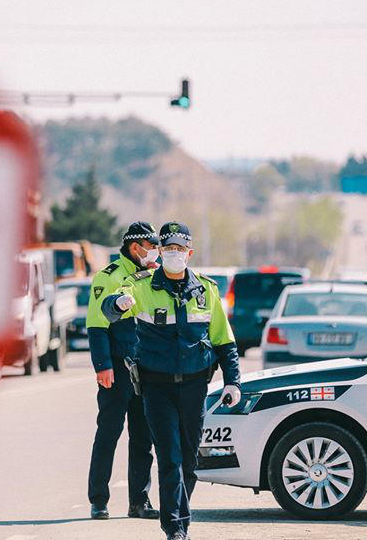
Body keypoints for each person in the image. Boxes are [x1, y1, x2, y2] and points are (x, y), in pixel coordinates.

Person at [102, 221, 241, 540]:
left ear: (189, 253)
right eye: (168, 249)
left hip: (195, 386)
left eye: (180, 249)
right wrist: (118, 304)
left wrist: (233, 380)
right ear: (160, 253)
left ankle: (178, 515)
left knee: (189, 461)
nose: (174, 254)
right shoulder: (141, 285)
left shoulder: (207, 290)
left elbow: (224, 341)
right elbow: (113, 306)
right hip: (156, 387)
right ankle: (176, 527)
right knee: (170, 457)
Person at [86, 221, 161, 521]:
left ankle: (139, 502)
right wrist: (103, 366)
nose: (154, 251)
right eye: (151, 245)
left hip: (146, 370)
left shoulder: (154, 276)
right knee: (108, 435)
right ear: (135, 247)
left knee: (144, 439)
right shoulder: (110, 277)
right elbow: (96, 325)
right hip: (117, 369)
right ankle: (98, 500)